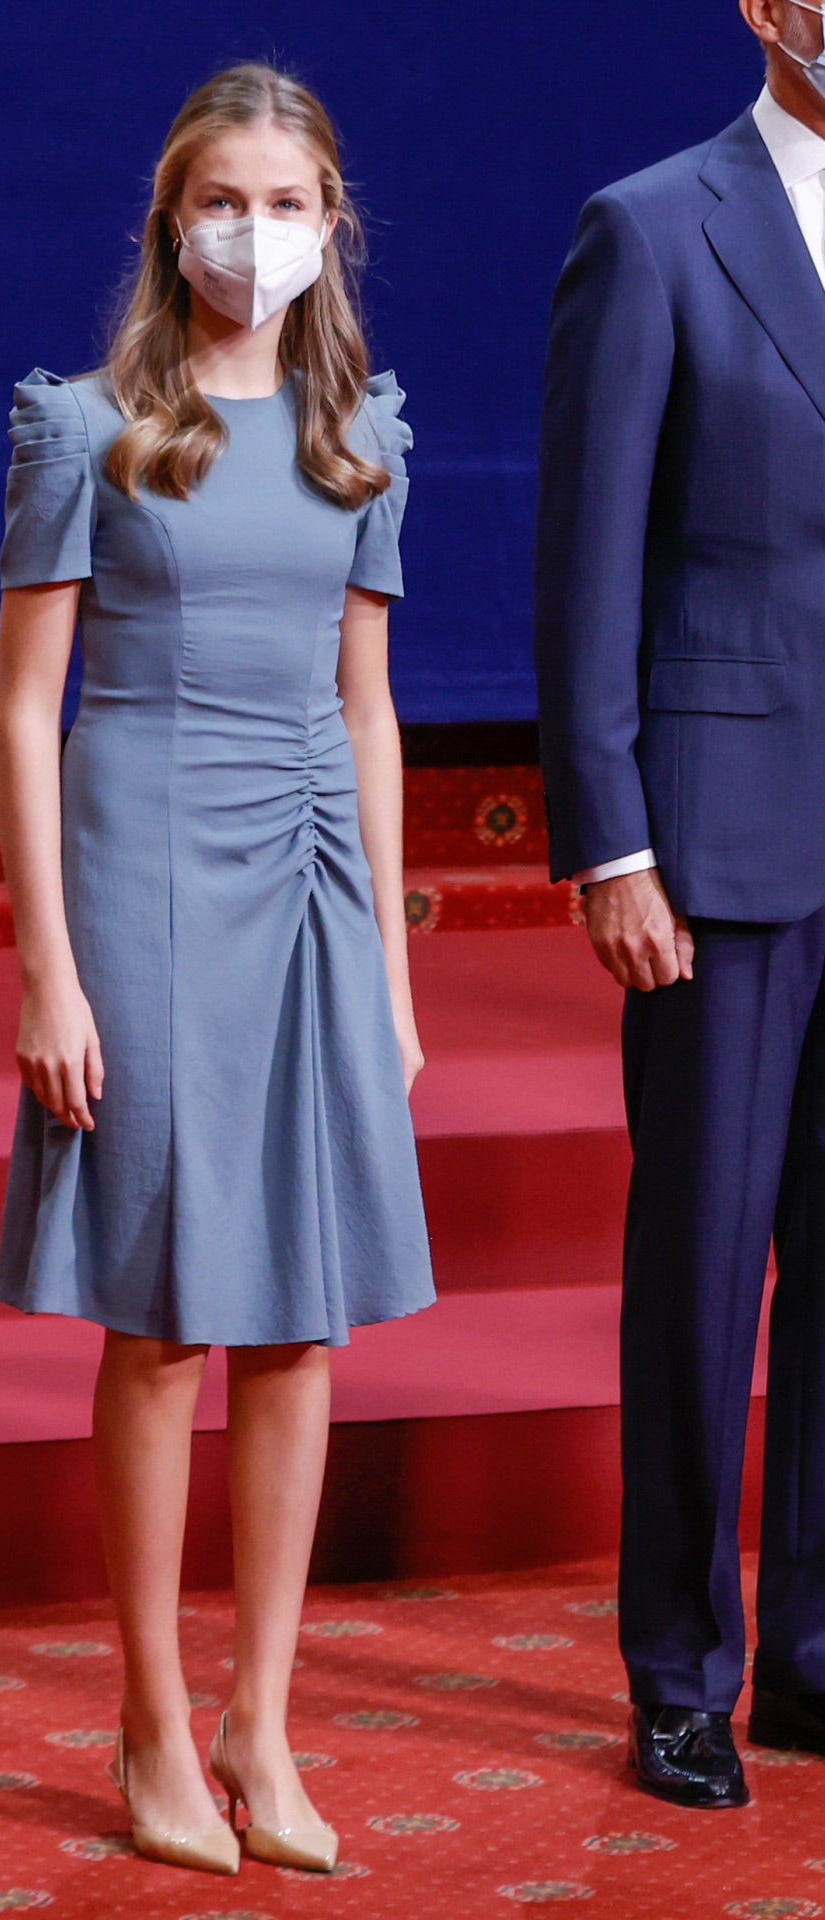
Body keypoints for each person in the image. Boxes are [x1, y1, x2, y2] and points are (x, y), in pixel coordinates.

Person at [0, 60, 433, 1877]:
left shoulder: (362, 439)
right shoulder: (84, 424)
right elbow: (26, 712)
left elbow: (374, 708)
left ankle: (264, 1717)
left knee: (305, 1317)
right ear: (175, 221)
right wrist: (47, 973)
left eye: (290, 200)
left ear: (333, 228)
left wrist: (399, 979)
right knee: (166, 1318)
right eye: (225, 198)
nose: (257, 230)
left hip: (318, 869)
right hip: (146, 860)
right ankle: (153, 1721)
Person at [535, 0, 825, 1813]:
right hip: (716, 842)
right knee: (703, 1271)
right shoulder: (652, 226)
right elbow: (586, 560)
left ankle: (808, 1654)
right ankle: (677, 1673)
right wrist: (610, 841)